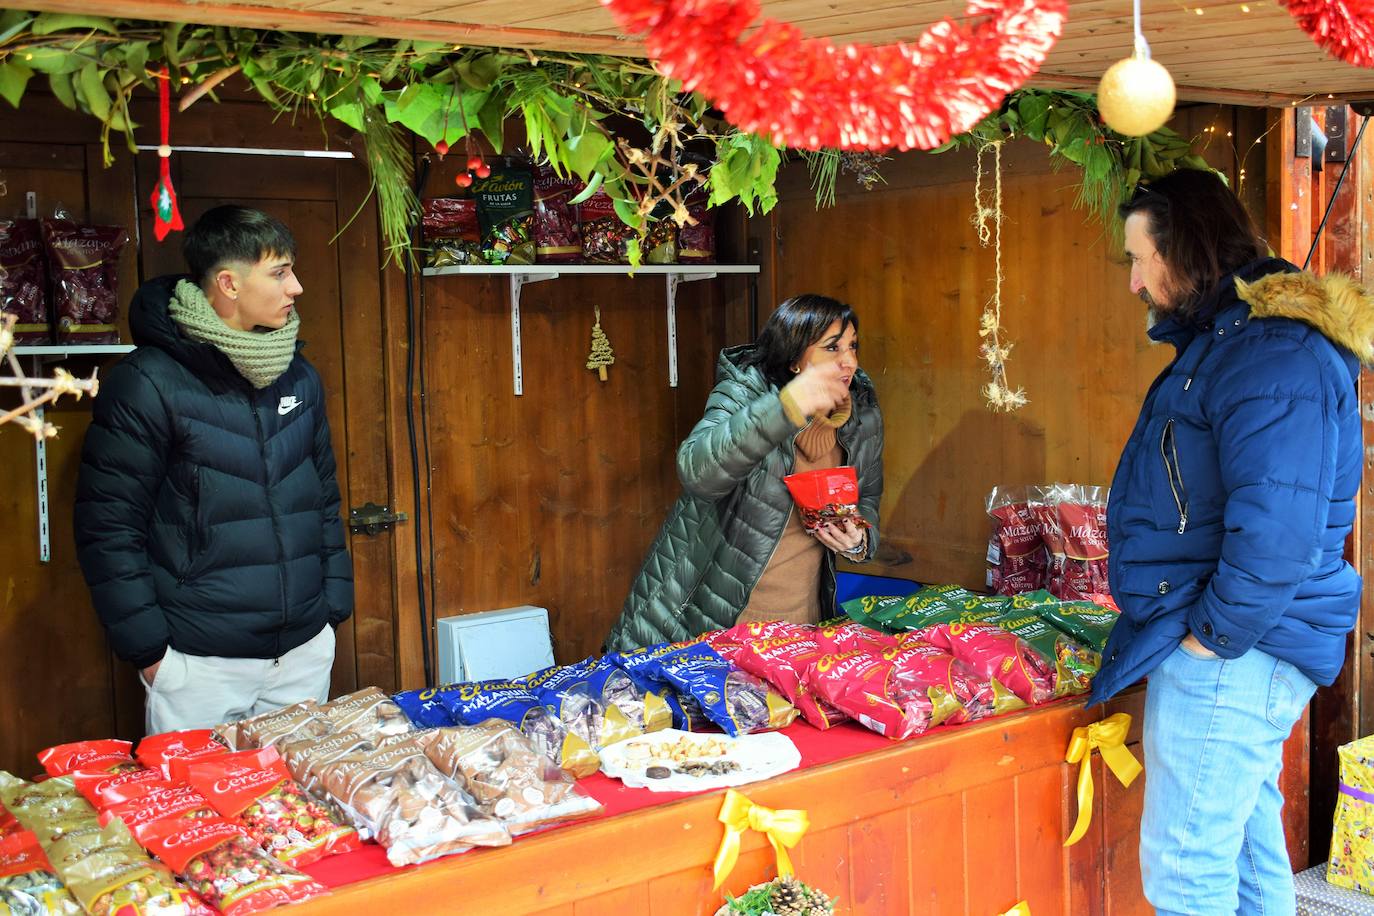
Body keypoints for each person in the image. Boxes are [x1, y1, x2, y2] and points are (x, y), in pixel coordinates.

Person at [1087, 169, 1371, 915]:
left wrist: (1212, 638)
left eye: (1139, 258)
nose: (1135, 282)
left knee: (1186, 873)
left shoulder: (1271, 354)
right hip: (1240, 640)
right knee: (1244, 848)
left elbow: (1278, 531)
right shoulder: (1235, 343)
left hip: (1238, 647)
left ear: (1187, 251)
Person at [75, 205, 354, 734]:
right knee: (199, 815)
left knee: (297, 813)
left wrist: (331, 607)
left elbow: (322, 496)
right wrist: (151, 651)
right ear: (228, 283)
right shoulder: (147, 382)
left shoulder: (297, 375)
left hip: (301, 654)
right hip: (198, 663)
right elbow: (108, 525)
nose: (296, 287)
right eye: (279, 273)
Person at [605, 294, 883, 652]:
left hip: (801, 626)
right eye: (833, 348)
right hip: (706, 622)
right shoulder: (745, 391)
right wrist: (787, 407)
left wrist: (859, 541)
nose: (849, 362)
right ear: (796, 359)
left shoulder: (863, 415)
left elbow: (868, 499)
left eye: (853, 346)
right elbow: (697, 472)